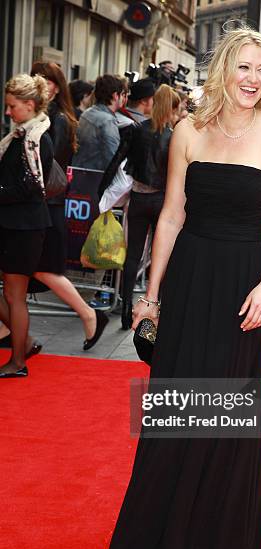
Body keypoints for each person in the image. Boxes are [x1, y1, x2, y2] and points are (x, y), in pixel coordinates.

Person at [88, 26, 261, 549]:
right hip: (188, 282)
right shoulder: (188, 129)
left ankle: (216, 536)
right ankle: (163, 536)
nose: (254, 79)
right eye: (245, 67)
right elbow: (172, 218)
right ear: (224, 69)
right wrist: (150, 296)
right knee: (180, 409)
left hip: (244, 285)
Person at [30, 61, 108, 350]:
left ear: (57, 85)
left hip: (47, 205)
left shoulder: (58, 119)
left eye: (47, 80)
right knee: (21, 271)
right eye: (36, 78)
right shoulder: (43, 116)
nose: (42, 84)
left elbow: (49, 167)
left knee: (41, 270)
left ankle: (89, 315)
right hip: (41, 205)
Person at [99, 84, 181, 329]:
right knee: (161, 254)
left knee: (133, 254)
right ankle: (159, 304)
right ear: (172, 109)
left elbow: (117, 161)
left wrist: (100, 191)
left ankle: (125, 308)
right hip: (162, 201)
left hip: (139, 198)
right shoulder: (173, 136)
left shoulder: (137, 130)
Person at [0, 74, 53, 377]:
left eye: (12, 106)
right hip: (13, 225)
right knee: (11, 295)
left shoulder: (37, 139)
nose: (8, 112)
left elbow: (31, 186)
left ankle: (18, 360)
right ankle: (25, 343)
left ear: (29, 105)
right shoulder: (21, 136)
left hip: (26, 227)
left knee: (14, 296)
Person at [72, 74, 127, 171]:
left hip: (79, 171)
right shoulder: (107, 121)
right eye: (122, 94)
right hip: (95, 177)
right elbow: (113, 157)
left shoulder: (87, 113)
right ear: (115, 96)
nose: (123, 98)